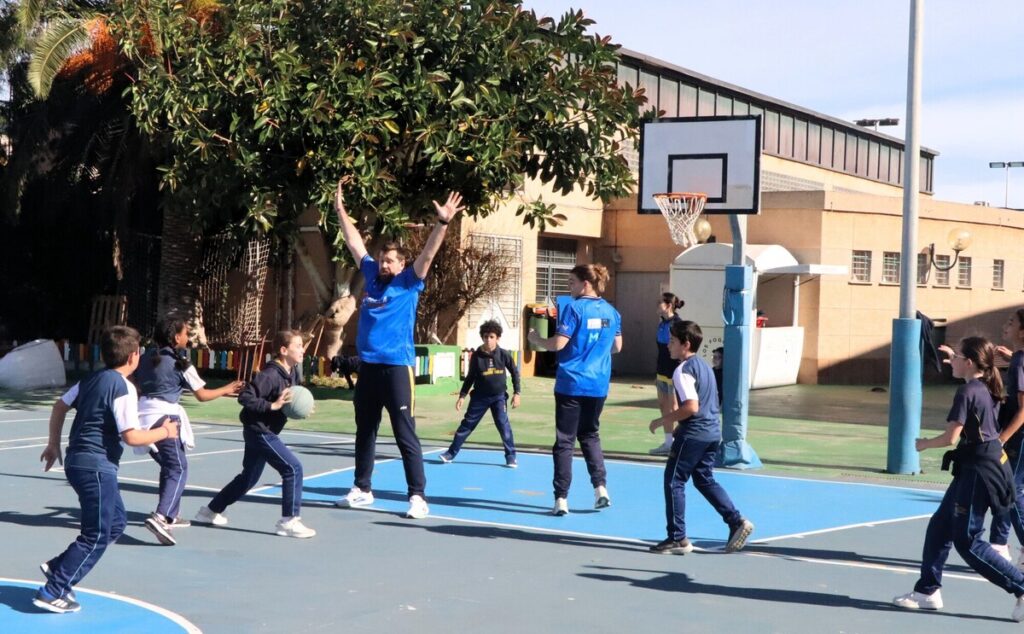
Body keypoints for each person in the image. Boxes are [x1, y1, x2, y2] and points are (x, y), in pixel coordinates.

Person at [333, 179, 465, 519]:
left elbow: (430, 253)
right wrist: (340, 211)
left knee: (404, 431)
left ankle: (417, 496)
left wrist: (443, 222)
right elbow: (353, 242)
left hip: (397, 368)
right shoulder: (372, 275)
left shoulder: (409, 281)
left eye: (390, 261)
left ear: (402, 264)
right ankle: (362, 489)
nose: (384, 264)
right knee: (365, 431)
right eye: (382, 259)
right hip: (369, 368)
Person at [35, 326, 180, 614]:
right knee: (97, 533)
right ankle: (54, 590)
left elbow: (59, 407)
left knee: (116, 523)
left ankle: (58, 567)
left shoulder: (91, 379)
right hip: (96, 466)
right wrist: (165, 432)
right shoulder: (123, 387)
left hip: (78, 462)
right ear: (134, 356)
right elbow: (132, 436)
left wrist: (54, 444)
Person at [892, 336, 1024, 621]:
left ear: (969, 363)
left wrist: (924, 444)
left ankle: (1021, 586)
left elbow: (951, 437)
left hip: (980, 470)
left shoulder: (968, 392)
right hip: (977, 465)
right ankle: (927, 590)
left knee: (968, 541)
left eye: (955, 357)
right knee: (940, 526)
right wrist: (957, 353)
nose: (950, 361)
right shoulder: (986, 385)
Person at [194, 330, 315, 539]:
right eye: (298, 346)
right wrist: (272, 405)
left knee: (248, 478)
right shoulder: (270, 375)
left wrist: (300, 408)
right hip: (259, 431)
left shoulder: (293, 372)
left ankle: (210, 511)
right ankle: (289, 521)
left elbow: (290, 400)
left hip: (263, 430)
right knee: (292, 468)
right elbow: (245, 397)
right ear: (283, 350)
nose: (302, 349)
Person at [647, 320, 754, 555]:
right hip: (711, 433)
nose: (668, 345)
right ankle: (735, 520)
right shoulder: (704, 367)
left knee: (674, 481)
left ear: (685, 344)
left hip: (694, 434)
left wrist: (663, 420)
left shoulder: (682, 370)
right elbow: (708, 402)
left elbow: (692, 406)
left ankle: (677, 538)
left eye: (673, 341)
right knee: (704, 479)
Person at [134, 316, 243, 546]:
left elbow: (133, 382)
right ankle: (160, 517)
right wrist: (228, 388)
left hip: (142, 416)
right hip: (166, 419)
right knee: (179, 466)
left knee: (170, 465)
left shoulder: (144, 358)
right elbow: (202, 395)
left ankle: (171, 514)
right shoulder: (180, 363)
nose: (188, 336)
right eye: (186, 333)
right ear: (176, 338)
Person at [527, 263, 621, 516]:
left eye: (571, 282)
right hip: (598, 385)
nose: (569, 287)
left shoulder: (574, 309)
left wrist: (537, 340)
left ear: (585, 284)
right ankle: (600, 488)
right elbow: (617, 346)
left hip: (571, 383)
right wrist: (596, 353)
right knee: (590, 435)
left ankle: (561, 499)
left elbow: (558, 343)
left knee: (565, 441)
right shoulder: (612, 312)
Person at [439, 320, 521, 467]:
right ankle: (450, 454)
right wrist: (462, 396)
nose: (488, 340)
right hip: (479, 398)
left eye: (491, 337)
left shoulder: (504, 355)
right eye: (485, 337)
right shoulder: (477, 356)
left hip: (499, 397)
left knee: (503, 426)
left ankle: (511, 456)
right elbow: (470, 377)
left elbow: (515, 373)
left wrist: (517, 393)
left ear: (497, 338)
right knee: (467, 425)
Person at [989, 308, 1024, 567]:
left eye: (1011, 323)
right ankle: (999, 543)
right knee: (1009, 489)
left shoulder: (1021, 362)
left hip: (1019, 437)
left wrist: (1001, 438)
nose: (1006, 326)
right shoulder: (1019, 359)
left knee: (1011, 490)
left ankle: (1003, 543)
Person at [651, 293, 684, 455]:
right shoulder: (662, 324)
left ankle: (680, 443)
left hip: (674, 372)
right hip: (661, 371)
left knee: (675, 408)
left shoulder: (678, 325)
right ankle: (668, 443)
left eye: (660, 302)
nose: (657, 305)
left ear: (669, 305)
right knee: (664, 407)